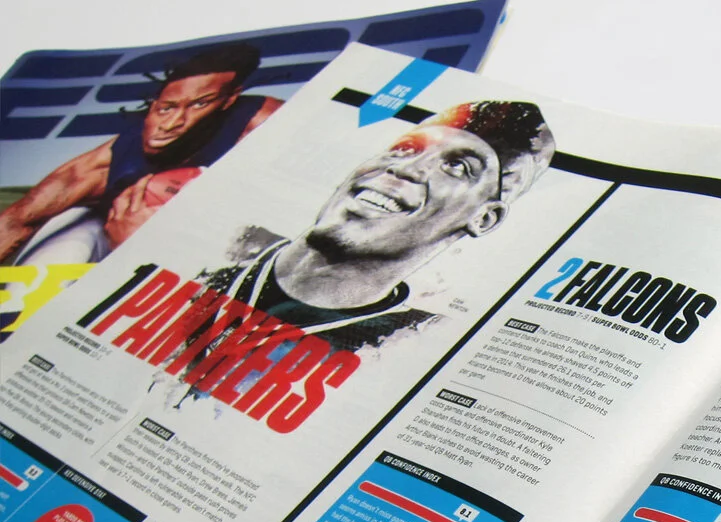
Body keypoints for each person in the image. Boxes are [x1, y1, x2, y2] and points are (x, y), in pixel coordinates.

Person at [196, 99, 554, 353]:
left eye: (457, 167)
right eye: (407, 148)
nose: (405, 168)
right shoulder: (215, 249)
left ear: (484, 218)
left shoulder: (407, 344)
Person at [0, 43, 281, 264]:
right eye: (166, 108)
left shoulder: (263, 122)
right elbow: (19, 219)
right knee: (65, 248)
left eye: (199, 105)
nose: (170, 124)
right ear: (153, 104)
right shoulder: (106, 163)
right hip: (107, 236)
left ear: (229, 100)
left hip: (217, 240)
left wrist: (158, 246)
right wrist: (133, 248)